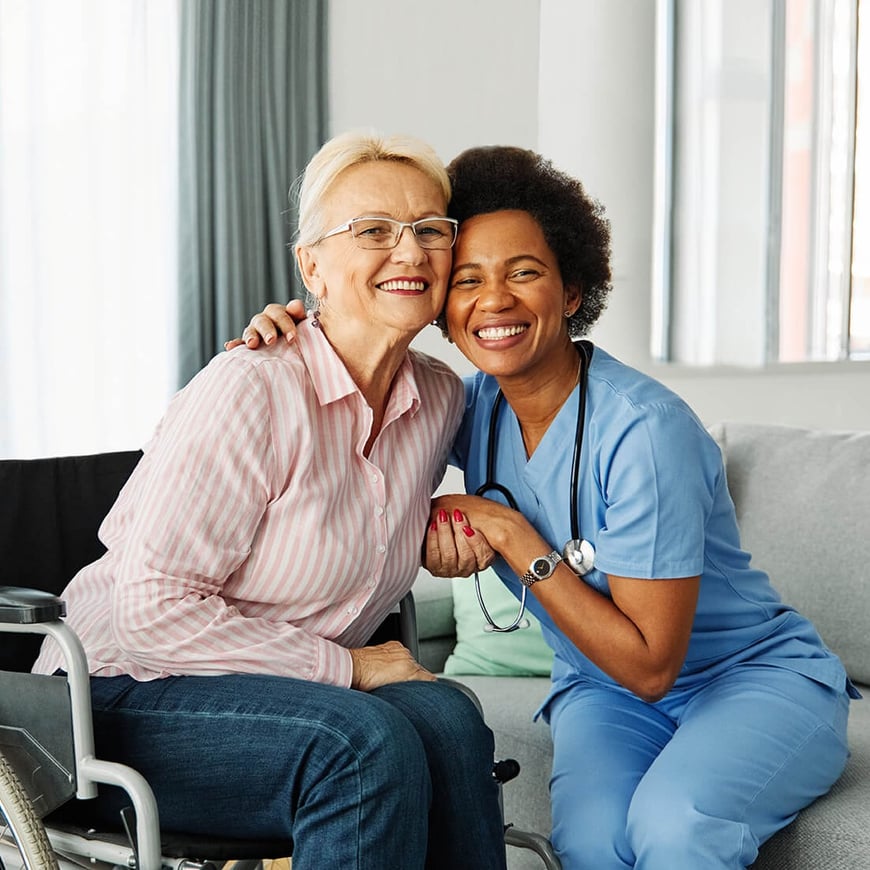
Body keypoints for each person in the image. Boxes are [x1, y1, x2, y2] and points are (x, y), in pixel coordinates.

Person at [238, 144, 857, 869]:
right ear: (442, 307)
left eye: (523, 273)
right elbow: (351, 437)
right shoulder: (462, 408)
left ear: (570, 292)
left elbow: (653, 667)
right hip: (602, 690)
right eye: (466, 280)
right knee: (591, 844)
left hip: (751, 681)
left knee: (675, 828)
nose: (493, 301)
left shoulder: (644, 431)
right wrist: (296, 332)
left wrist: (504, 528)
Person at [32, 130, 507, 870]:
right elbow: (152, 614)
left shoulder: (441, 398)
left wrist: (449, 524)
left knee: (448, 720)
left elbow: (512, 456)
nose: (410, 253)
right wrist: (350, 669)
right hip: (115, 698)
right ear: (311, 266)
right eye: (373, 231)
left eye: (430, 231)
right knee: (360, 743)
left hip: (281, 695)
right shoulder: (251, 387)